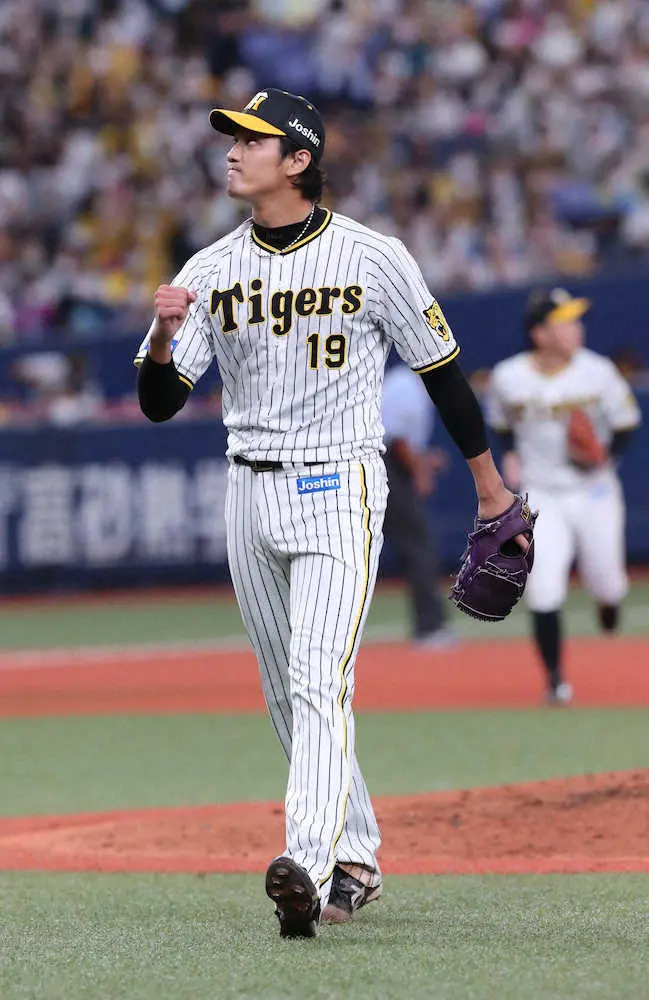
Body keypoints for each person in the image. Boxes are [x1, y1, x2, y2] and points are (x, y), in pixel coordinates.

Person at [135, 87, 524, 939]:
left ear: (299, 159)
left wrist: (490, 486)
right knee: (286, 691)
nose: (232, 150)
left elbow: (442, 373)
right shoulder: (208, 269)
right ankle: (356, 858)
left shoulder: (372, 256)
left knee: (318, 678)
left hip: (339, 483)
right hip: (248, 490)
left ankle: (303, 867)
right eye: (233, 138)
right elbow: (161, 402)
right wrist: (161, 339)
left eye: (252, 140)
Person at [487, 287, 641, 705]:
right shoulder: (508, 377)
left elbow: (626, 422)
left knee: (608, 583)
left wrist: (603, 455)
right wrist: (511, 453)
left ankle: (609, 605)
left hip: (595, 490)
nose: (576, 328)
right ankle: (556, 681)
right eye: (565, 322)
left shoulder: (598, 371)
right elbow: (501, 424)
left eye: (576, 320)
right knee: (543, 587)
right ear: (540, 333)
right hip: (541, 493)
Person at [381, 361, 457, 647]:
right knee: (418, 545)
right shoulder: (406, 384)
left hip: (386, 464)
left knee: (414, 545)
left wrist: (422, 461)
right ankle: (430, 626)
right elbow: (396, 439)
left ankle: (430, 624)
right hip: (386, 467)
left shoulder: (410, 383)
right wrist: (419, 470)